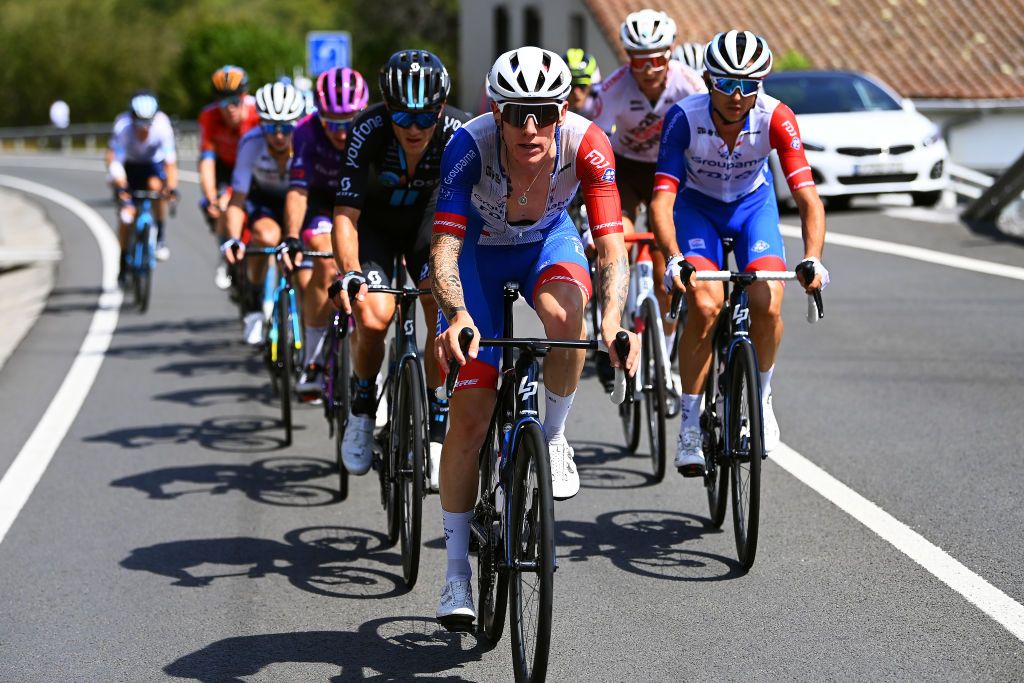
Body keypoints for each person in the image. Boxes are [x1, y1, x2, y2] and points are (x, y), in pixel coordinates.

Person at [430, 46, 639, 628]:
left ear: (562, 109)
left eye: (543, 113)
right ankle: (454, 576)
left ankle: (553, 435)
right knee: (471, 412)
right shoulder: (467, 147)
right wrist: (456, 314)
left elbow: (612, 245)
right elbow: (444, 247)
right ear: (496, 112)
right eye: (517, 112)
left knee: (567, 319)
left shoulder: (588, 145)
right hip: (477, 254)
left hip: (545, 242)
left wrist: (615, 321)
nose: (530, 127)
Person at [650, 30, 829, 475]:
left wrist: (812, 257)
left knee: (767, 302)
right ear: (708, 79)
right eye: (727, 83)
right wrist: (673, 257)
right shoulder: (683, 118)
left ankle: (763, 397)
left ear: (760, 85)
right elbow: (661, 201)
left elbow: (808, 198)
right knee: (706, 305)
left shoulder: (776, 117)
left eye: (748, 84)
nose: (736, 95)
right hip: (698, 210)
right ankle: (690, 422)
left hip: (753, 209)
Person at [329, 50, 472, 490]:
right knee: (373, 318)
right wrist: (350, 272)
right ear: (387, 108)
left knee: (440, 309)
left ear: (441, 109)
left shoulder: (458, 132)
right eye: (404, 117)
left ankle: (433, 417)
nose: (414, 128)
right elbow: (345, 216)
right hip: (374, 227)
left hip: (426, 226)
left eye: (426, 117)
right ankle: (362, 406)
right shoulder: (366, 129)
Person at [591, 9, 705, 395]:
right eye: (639, 59)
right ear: (628, 58)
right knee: (618, 243)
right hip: (624, 169)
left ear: (670, 54)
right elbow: (597, 144)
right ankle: (615, 331)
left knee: (665, 273)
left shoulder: (690, 84)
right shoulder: (613, 89)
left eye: (657, 58)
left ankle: (665, 354)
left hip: (668, 171)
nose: (649, 68)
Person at [279, 67, 370, 399]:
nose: (342, 134)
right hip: (322, 205)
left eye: (349, 124)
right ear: (319, 116)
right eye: (332, 124)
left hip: (364, 204)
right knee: (327, 262)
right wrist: (291, 236)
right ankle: (314, 358)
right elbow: (298, 190)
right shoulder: (304, 133)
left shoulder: (373, 128)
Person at [221, 81, 307, 345]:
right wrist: (234, 238)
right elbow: (237, 200)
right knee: (265, 237)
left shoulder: (306, 141)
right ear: (260, 124)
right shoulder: (250, 143)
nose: (278, 135)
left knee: (309, 268)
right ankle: (254, 303)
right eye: (270, 126)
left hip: (303, 199)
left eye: (285, 127)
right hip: (266, 200)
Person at [198, 65, 260, 289]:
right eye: (223, 103)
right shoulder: (209, 116)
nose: (230, 109)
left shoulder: (257, 114)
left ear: (245, 97)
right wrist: (211, 197)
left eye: (235, 101)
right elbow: (206, 161)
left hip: (253, 167)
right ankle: (226, 252)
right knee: (220, 207)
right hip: (226, 168)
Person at [107, 91, 179, 275]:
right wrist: (121, 187)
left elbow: (170, 163)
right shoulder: (122, 126)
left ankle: (160, 235)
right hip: (128, 166)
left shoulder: (163, 126)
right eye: (139, 125)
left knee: (157, 189)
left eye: (147, 124)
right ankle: (123, 257)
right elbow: (114, 160)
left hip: (151, 165)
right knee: (126, 215)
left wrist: (171, 187)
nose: (143, 130)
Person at [563, 48, 601, 118]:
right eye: (571, 86)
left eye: (582, 85)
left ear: (592, 85)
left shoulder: (604, 100)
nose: (576, 92)